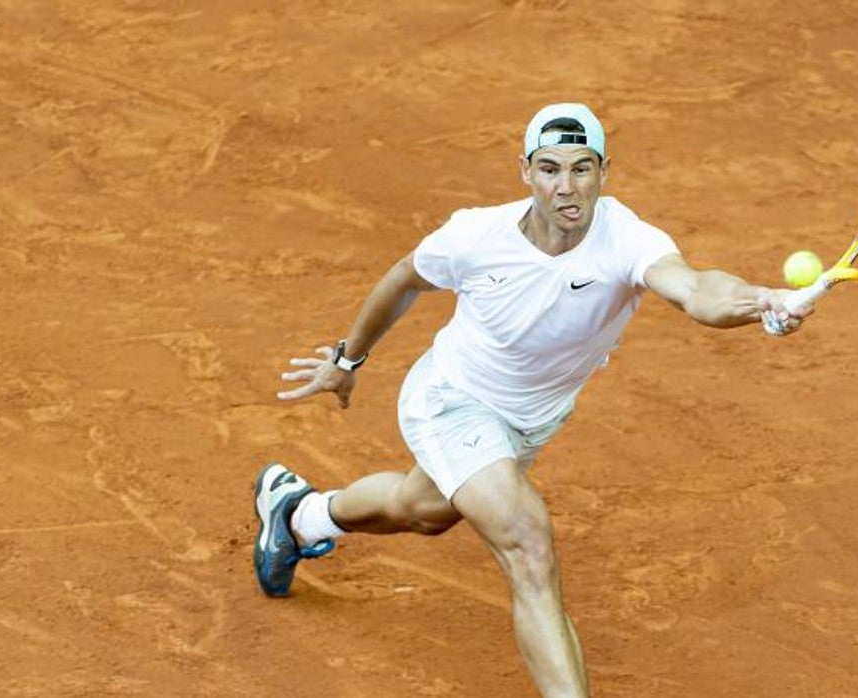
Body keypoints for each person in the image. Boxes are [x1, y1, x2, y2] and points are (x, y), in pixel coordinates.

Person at [254, 103, 810, 697]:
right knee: (527, 544)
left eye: (581, 168)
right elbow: (403, 278)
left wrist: (759, 300)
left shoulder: (628, 239)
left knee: (424, 511)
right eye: (549, 169)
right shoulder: (475, 235)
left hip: (528, 422)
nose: (565, 188)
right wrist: (347, 361)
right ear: (524, 171)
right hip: (450, 400)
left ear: (604, 171)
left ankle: (297, 513)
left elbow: (697, 289)